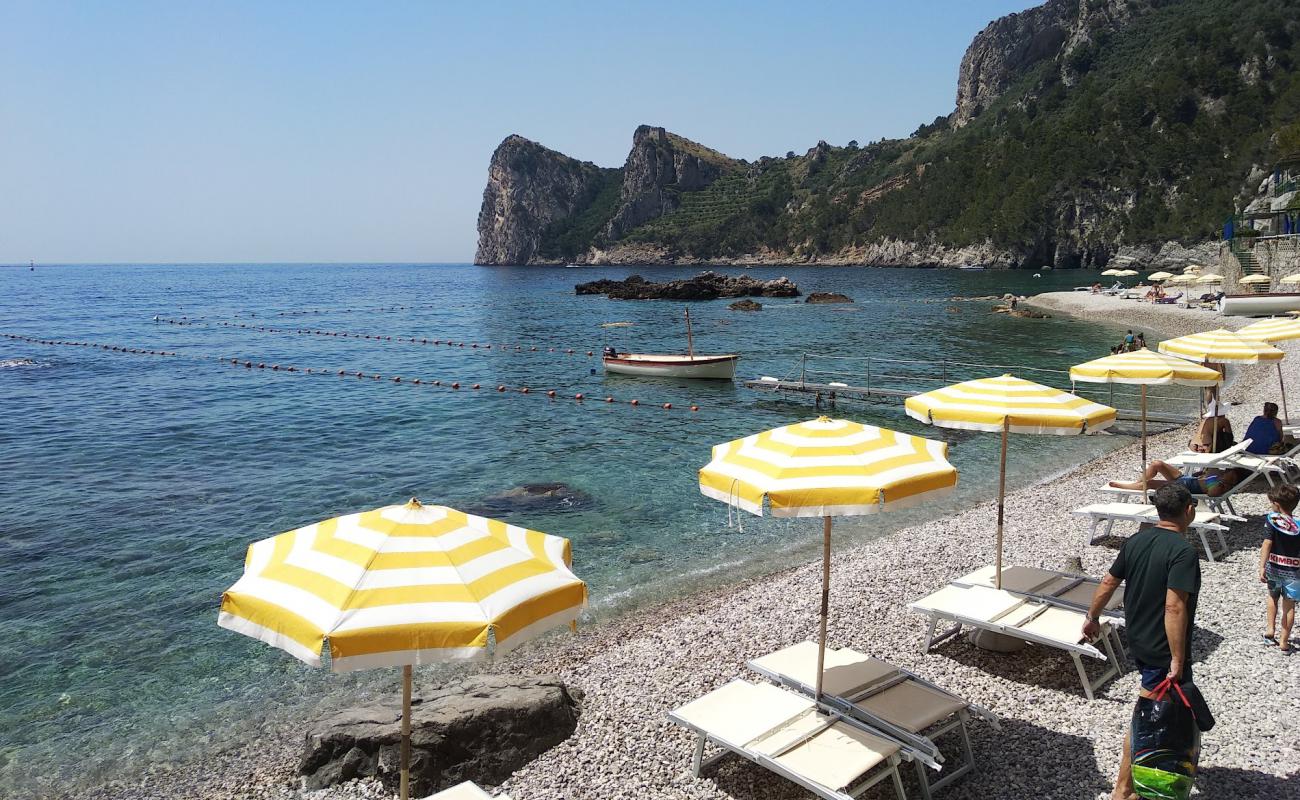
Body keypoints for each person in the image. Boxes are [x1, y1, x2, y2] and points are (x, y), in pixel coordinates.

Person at [1084, 482, 1202, 800]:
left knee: (1156, 712)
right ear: (1188, 510)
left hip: (1139, 640)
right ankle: (1123, 790)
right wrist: (1177, 659)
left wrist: (1092, 617)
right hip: (1163, 650)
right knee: (1147, 717)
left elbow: (1109, 581)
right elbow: (1174, 606)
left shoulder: (1137, 540)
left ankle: (1138, 783)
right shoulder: (1184, 552)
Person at [1261, 483, 1300, 654]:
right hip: (1294, 572)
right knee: (1289, 606)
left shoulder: (1272, 520)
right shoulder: (1298, 524)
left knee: (1272, 597)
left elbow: (1267, 543)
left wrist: (1261, 565)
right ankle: (1284, 641)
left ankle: (1270, 630)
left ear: (1276, 504)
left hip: (1274, 568)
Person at [1108, 459, 1245, 497]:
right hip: (1185, 478)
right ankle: (1137, 482)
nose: (1226, 471)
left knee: (1151, 483)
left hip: (1185, 487)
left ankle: (1125, 486)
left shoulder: (1221, 486)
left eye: (1230, 472)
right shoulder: (1220, 476)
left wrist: (1215, 479)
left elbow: (1211, 494)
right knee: (1157, 464)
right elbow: (1201, 476)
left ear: (1233, 479)